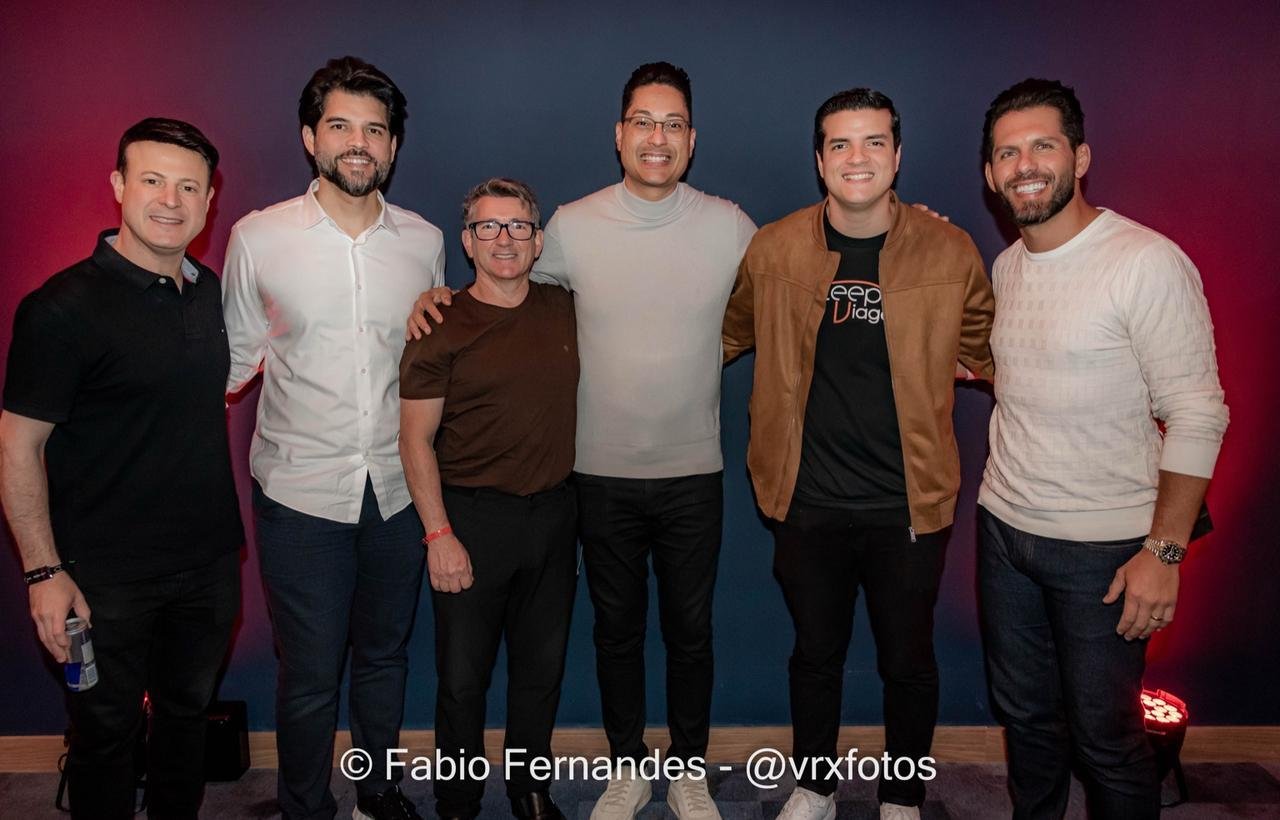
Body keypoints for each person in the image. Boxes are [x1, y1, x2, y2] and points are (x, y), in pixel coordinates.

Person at [409, 60, 756, 820]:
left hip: (694, 473)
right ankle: (628, 765)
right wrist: (439, 295)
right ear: (619, 134)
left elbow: (785, 294)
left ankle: (688, 770)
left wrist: (904, 221)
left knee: (692, 633)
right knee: (615, 633)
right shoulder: (569, 224)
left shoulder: (731, 227)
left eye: (672, 124)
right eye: (643, 122)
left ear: (691, 139)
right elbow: (505, 284)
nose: (657, 137)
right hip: (596, 477)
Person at [722, 88, 994, 820]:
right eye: (840, 144)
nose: (857, 158)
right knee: (815, 654)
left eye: (874, 142)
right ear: (819, 160)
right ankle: (814, 785)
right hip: (804, 497)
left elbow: (994, 349)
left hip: (909, 502)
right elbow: (727, 332)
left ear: (897, 156)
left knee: (909, 661)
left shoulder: (948, 250)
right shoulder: (775, 247)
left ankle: (903, 795)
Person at [977, 78, 1228, 820]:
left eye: (1043, 146)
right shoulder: (1008, 266)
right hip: (1005, 532)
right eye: (1007, 153)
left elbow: (1197, 413)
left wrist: (1165, 551)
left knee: (1107, 739)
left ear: (1080, 157)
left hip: (1104, 552)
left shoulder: (1144, 262)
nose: (1025, 165)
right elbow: (1038, 367)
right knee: (1027, 723)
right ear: (991, 174)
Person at [0, 117, 243, 820]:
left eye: (189, 187)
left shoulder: (207, 290)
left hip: (208, 566)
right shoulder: (60, 309)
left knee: (186, 720)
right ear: (118, 185)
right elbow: (16, 447)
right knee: (105, 737)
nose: (171, 199)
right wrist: (42, 572)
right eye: (153, 180)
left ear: (209, 201)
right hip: (102, 579)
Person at [222, 56, 445, 820]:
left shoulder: (424, 243)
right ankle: (306, 805)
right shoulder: (258, 238)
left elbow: (428, 363)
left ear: (393, 146)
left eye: (375, 130)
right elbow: (232, 361)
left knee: (384, 656)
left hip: (397, 491)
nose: (359, 143)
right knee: (310, 672)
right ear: (309, 137)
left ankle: (378, 792)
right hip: (299, 496)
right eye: (341, 126)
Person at [400, 178, 579, 820]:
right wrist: (438, 535)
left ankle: (531, 790)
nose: (505, 239)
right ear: (468, 242)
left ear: (538, 241)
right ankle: (457, 799)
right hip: (470, 519)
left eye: (518, 227)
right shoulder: (438, 323)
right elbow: (414, 440)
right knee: (461, 679)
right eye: (488, 227)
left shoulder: (565, 307)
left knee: (541, 670)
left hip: (555, 514)